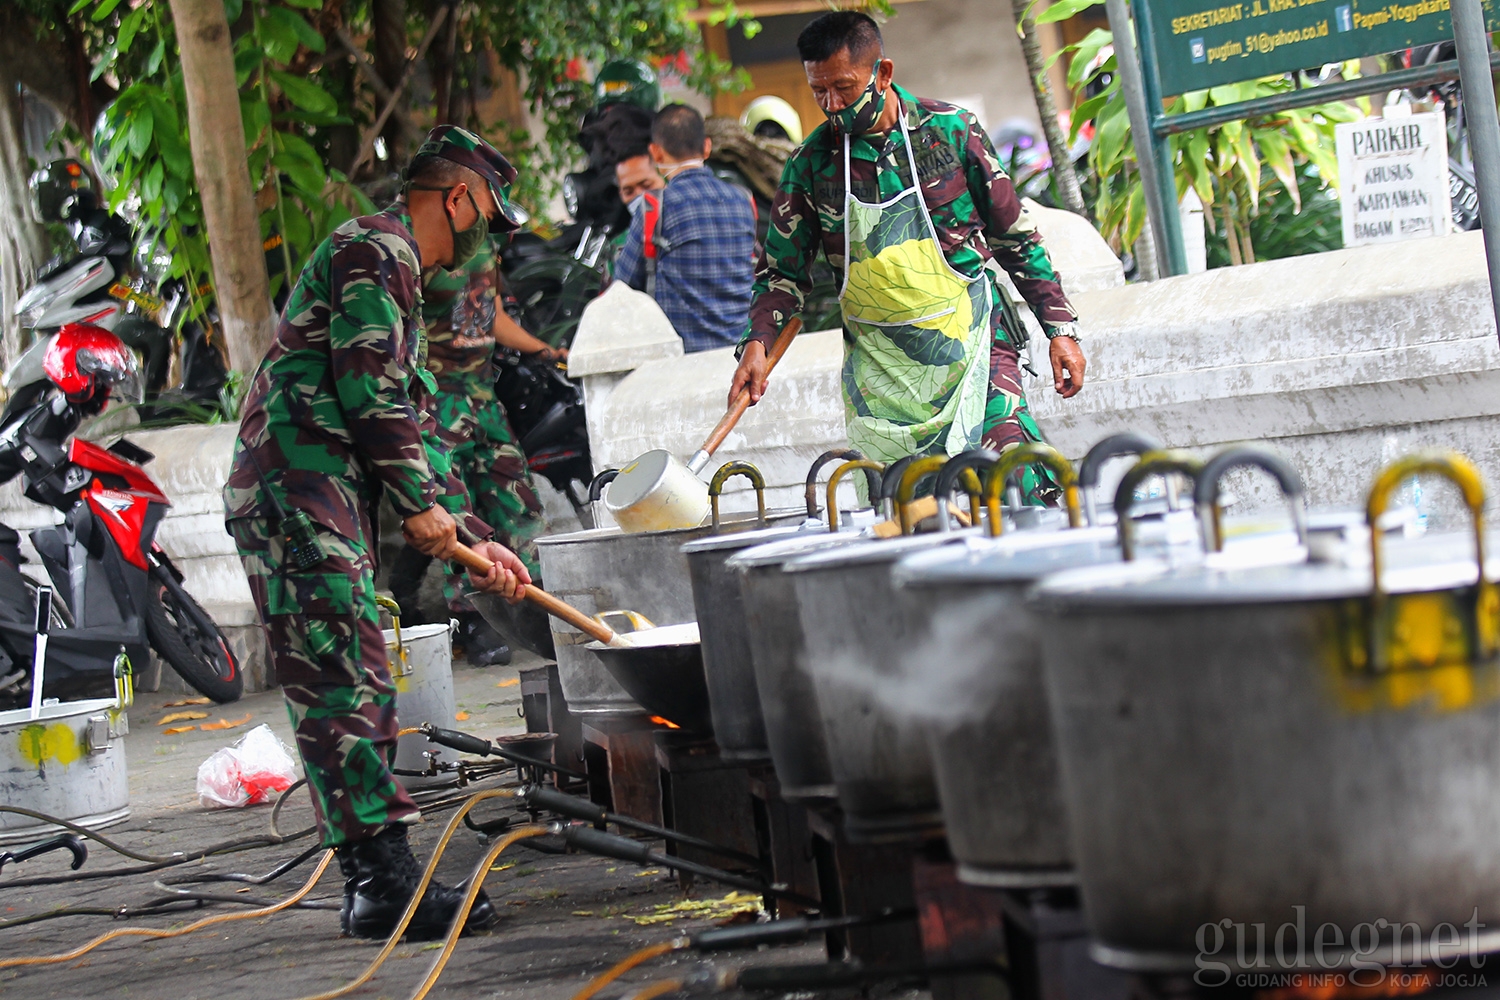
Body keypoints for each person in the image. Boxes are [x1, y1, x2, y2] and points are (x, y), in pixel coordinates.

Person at [223, 126, 531, 941]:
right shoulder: (377, 249)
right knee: (342, 682)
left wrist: (472, 533)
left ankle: (379, 877)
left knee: (357, 676)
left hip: (321, 494)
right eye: (488, 222)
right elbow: (368, 395)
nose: (483, 246)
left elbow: (411, 426)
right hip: (295, 490)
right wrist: (423, 511)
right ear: (457, 197)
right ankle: (381, 884)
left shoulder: (398, 273)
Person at [728, 12, 1086, 498]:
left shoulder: (952, 133)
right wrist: (757, 346)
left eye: (844, 88)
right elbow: (781, 278)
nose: (831, 105)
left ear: (883, 73)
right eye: (819, 92)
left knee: (1017, 480)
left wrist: (1060, 330)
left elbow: (1014, 237)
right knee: (910, 512)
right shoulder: (809, 166)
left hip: (975, 351)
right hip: (883, 380)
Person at [391, 236, 560, 666]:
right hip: (437, 400)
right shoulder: (420, 250)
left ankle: (538, 604)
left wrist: (541, 349)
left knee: (519, 500)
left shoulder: (484, 249)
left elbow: (491, 315)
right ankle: (472, 620)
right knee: (455, 507)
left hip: (482, 396)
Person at [615, 104, 758, 353]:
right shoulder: (743, 200)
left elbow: (623, 287)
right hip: (741, 355)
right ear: (706, 146)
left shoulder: (655, 207)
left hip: (685, 363)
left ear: (656, 153)